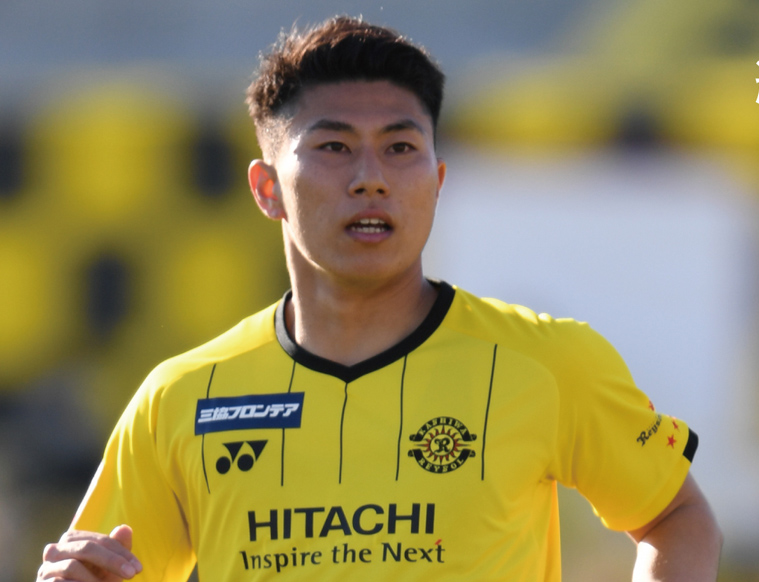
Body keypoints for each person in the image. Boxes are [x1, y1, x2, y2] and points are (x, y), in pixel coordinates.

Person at [37, 15, 722, 582]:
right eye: (334, 147)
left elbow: (677, 518)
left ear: (437, 181)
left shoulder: (547, 362)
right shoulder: (182, 397)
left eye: (400, 148)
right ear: (267, 189)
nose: (371, 178)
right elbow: (104, 569)